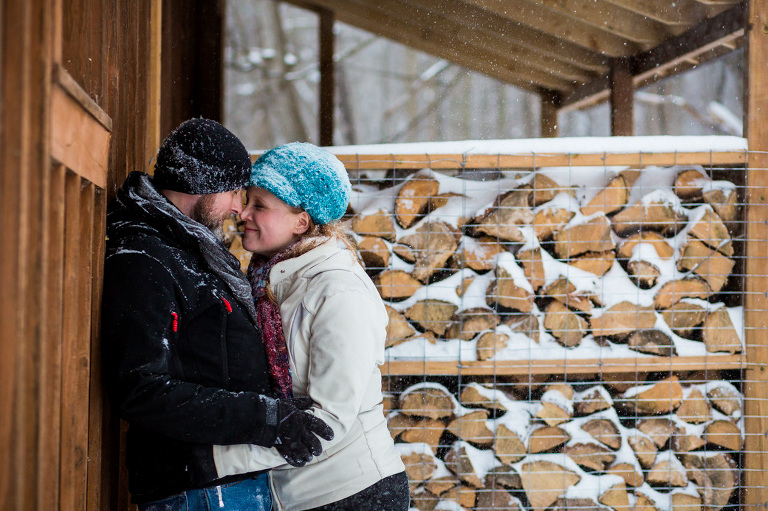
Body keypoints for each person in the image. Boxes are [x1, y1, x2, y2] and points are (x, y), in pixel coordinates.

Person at [101, 119, 333, 510]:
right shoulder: (145, 261)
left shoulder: (191, 250)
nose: (237, 208)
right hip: (196, 487)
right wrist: (265, 416)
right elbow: (141, 389)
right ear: (200, 184)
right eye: (233, 192)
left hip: (225, 480)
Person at [210, 142, 409, 511]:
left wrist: (216, 460)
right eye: (247, 200)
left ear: (301, 221)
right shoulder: (268, 281)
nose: (244, 214)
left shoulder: (337, 291)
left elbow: (328, 421)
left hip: (352, 494)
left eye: (261, 206)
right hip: (297, 493)